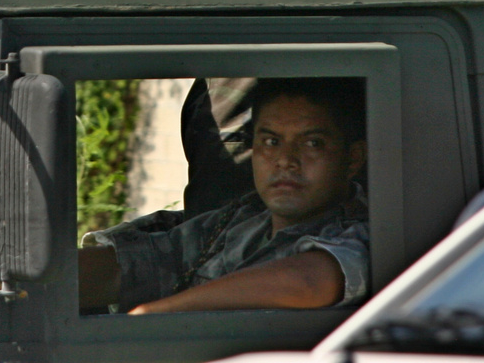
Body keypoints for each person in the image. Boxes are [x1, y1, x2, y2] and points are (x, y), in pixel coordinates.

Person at [78, 77, 369, 314]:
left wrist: (156, 317)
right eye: (271, 141)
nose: (285, 160)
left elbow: (309, 281)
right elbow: (141, 265)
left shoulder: (369, 230)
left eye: (312, 143)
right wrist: (39, 283)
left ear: (353, 158)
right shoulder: (237, 222)